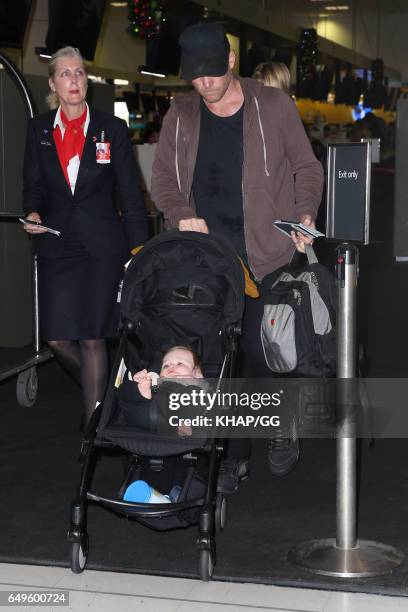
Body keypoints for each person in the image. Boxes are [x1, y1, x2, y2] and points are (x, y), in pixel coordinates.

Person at [151, 22, 324, 491]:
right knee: (215, 359)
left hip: (267, 255)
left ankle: (282, 422)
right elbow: (163, 179)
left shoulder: (272, 105)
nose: (204, 84)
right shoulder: (181, 114)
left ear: (231, 62)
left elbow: (308, 167)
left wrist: (305, 211)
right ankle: (233, 455)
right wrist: (182, 212)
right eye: (196, 76)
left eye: (212, 73)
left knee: (262, 352)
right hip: (208, 260)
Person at [22, 46, 148, 428]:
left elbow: (130, 193)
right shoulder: (39, 128)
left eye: (80, 74)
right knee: (58, 339)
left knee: (93, 336)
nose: (74, 80)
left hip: (102, 247)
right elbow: (34, 187)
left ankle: (94, 428)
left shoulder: (112, 129)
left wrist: (139, 249)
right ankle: (115, 395)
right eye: (66, 74)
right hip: (57, 243)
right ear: (53, 84)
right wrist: (32, 213)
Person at [117, 346, 205, 437]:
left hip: (170, 414)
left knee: (195, 394)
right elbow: (155, 390)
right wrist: (139, 382)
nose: (171, 367)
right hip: (145, 411)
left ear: (197, 374)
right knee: (125, 387)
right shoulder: (156, 381)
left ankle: (182, 424)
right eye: (165, 365)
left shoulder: (194, 385)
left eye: (180, 364)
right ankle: (142, 393)